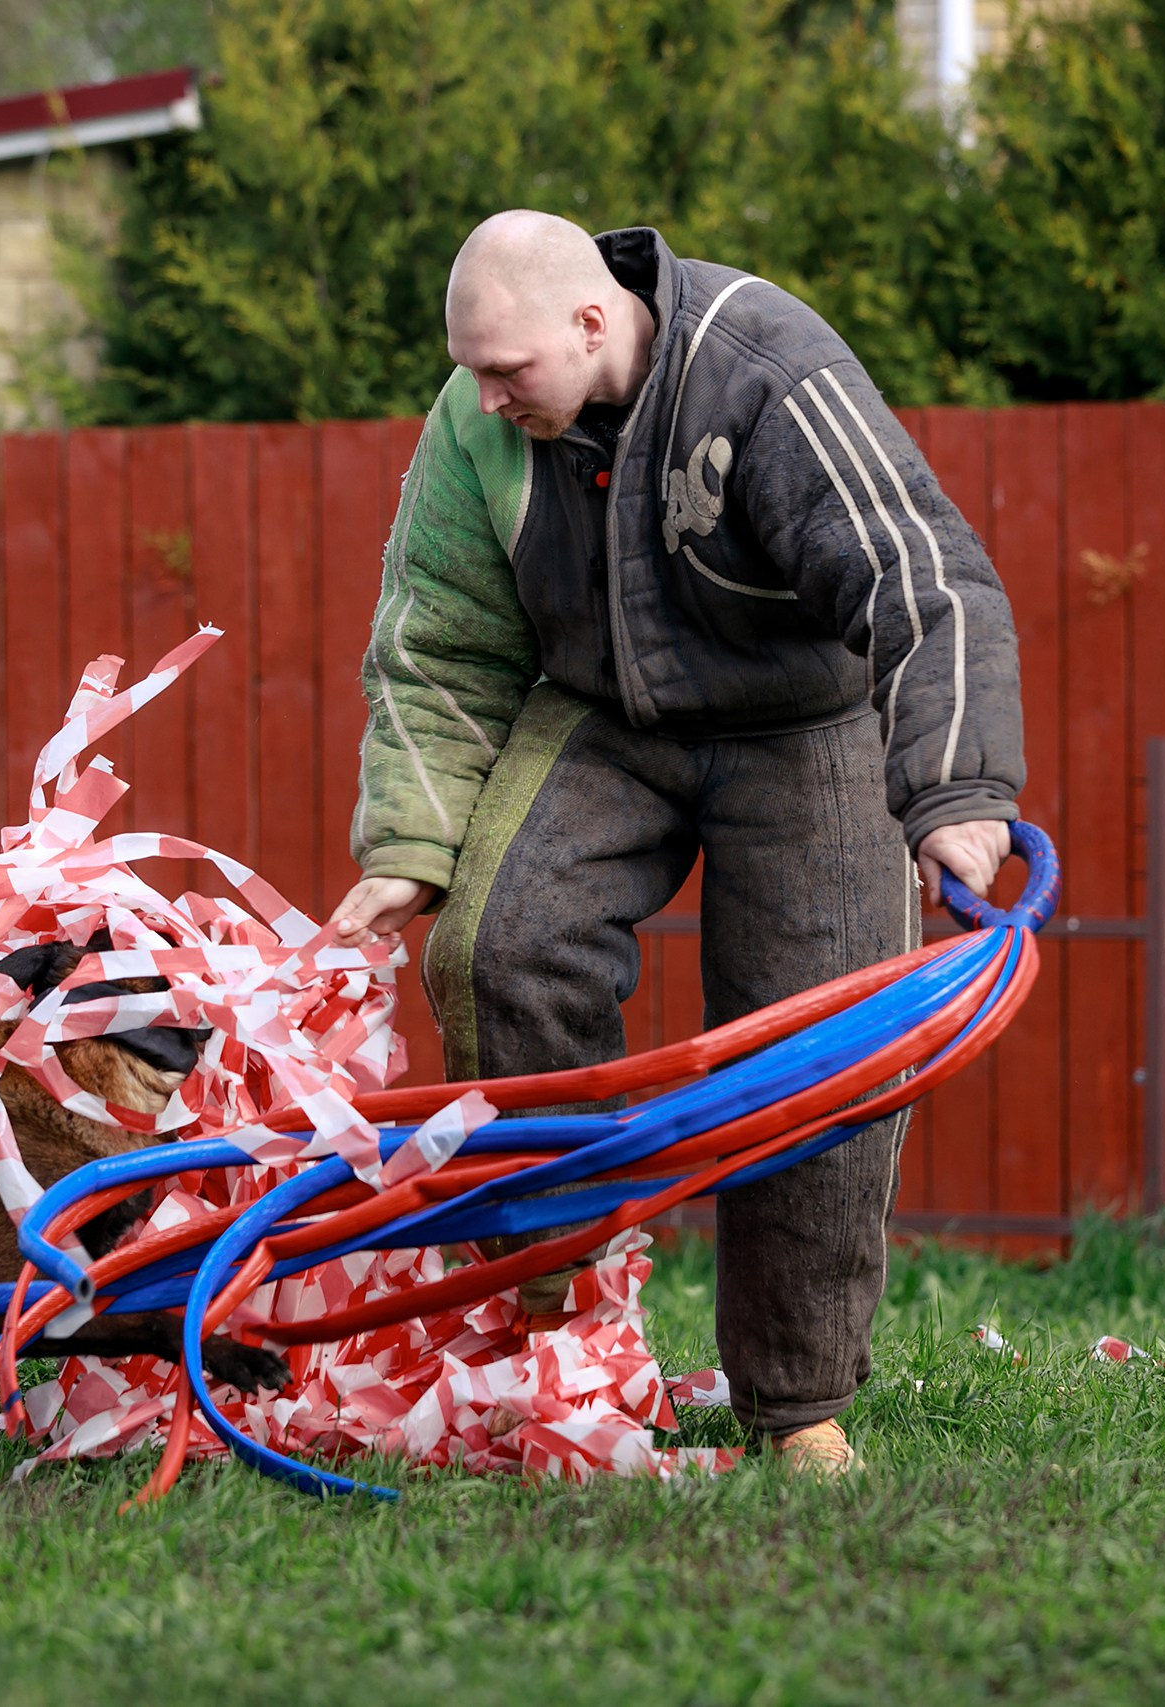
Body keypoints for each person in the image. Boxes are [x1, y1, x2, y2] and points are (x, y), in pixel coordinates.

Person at [329, 211, 1025, 1476]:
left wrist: (956, 790)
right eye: (469, 371)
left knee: (822, 1047)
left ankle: (796, 1405)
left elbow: (923, 578)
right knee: (495, 945)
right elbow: (434, 641)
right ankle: (565, 1327)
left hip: (804, 721)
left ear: (592, 323)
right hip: (601, 710)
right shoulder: (477, 421)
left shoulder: (763, 369)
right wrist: (409, 844)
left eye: (505, 371)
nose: (482, 395)